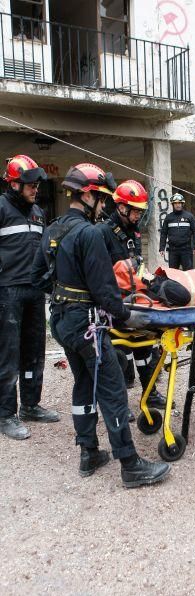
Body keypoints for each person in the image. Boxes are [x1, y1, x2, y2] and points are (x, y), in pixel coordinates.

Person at [31, 163, 170, 488]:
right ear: (89, 195)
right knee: (112, 389)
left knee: (83, 385)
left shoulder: (54, 229)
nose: (104, 205)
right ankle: (130, 464)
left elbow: (38, 277)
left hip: (62, 320)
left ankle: (88, 452)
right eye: (102, 199)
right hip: (87, 323)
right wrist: (130, 316)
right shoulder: (90, 234)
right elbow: (106, 292)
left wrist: (65, 294)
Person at [0, 154, 59, 440]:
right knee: (8, 354)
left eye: (36, 184)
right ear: (13, 184)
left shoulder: (38, 213)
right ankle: (6, 414)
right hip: (6, 291)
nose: (35, 189)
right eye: (29, 184)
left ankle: (31, 405)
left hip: (34, 291)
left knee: (34, 351)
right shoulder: (0, 208)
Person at [96, 179, 167, 410]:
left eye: (140, 211)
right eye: (136, 211)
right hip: (113, 303)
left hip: (134, 299)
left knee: (144, 346)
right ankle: (120, 404)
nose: (138, 216)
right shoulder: (103, 233)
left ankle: (150, 393)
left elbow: (137, 267)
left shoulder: (133, 232)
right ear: (122, 207)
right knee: (117, 352)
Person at [159, 192, 195, 270]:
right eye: (176, 203)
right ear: (173, 204)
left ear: (182, 204)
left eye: (179, 203)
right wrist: (162, 248)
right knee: (173, 273)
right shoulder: (168, 218)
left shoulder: (189, 216)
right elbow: (163, 233)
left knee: (188, 273)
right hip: (173, 250)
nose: (178, 205)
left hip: (186, 250)